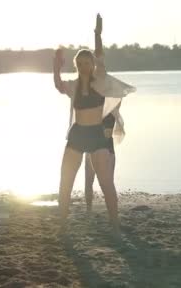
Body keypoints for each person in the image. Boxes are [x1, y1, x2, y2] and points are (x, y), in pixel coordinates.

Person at [53, 14, 135, 236]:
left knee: (106, 183)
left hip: (97, 135)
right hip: (77, 134)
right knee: (66, 180)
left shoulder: (100, 82)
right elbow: (58, 85)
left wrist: (97, 34)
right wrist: (56, 66)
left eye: (86, 63)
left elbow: (100, 56)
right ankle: (62, 225)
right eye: (79, 63)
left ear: (92, 64)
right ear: (77, 65)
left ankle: (115, 225)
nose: (83, 66)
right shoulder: (74, 85)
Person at [84, 104, 125, 213]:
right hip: (96, 146)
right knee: (91, 181)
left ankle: (108, 212)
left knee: (101, 182)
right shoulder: (108, 106)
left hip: (104, 147)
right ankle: (89, 210)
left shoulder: (111, 106)